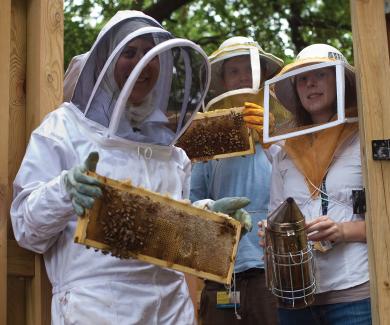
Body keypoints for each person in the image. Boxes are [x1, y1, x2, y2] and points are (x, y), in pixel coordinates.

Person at [10, 10, 252, 324]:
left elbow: (168, 230)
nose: (142, 62)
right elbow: (27, 231)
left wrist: (211, 220)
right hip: (94, 308)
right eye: (130, 52)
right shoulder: (65, 127)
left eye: (150, 54)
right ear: (107, 63)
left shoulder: (172, 154)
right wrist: (63, 190)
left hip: (172, 309)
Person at [261, 44, 371, 324]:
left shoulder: (366, 139)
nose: (310, 83)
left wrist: (343, 230)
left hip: (354, 291)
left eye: (320, 74)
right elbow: (276, 212)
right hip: (294, 296)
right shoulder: (285, 150)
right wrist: (271, 233)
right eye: (302, 78)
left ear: (340, 81)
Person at [190, 36, 283, 325]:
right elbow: (193, 200)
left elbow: (299, 185)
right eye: (234, 71)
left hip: (271, 267)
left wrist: (273, 140)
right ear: (223, 79)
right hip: (222, 271)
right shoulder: (208, 135)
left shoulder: (284, 125)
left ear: (263, 74)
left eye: (249, 69)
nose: (243, 76)